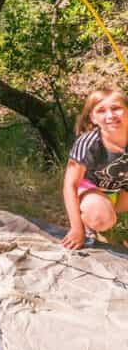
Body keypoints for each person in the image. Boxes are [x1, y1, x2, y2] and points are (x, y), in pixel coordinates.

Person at [62, 86, 128, 249]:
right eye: (101, 111)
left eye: (116, 108)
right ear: (93, 118)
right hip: (89, 189)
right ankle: (87, 224)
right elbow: (70, 185)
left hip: (119, 191)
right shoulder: (88, 142)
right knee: (102, 218)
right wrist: (77, 229)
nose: (110, 115)